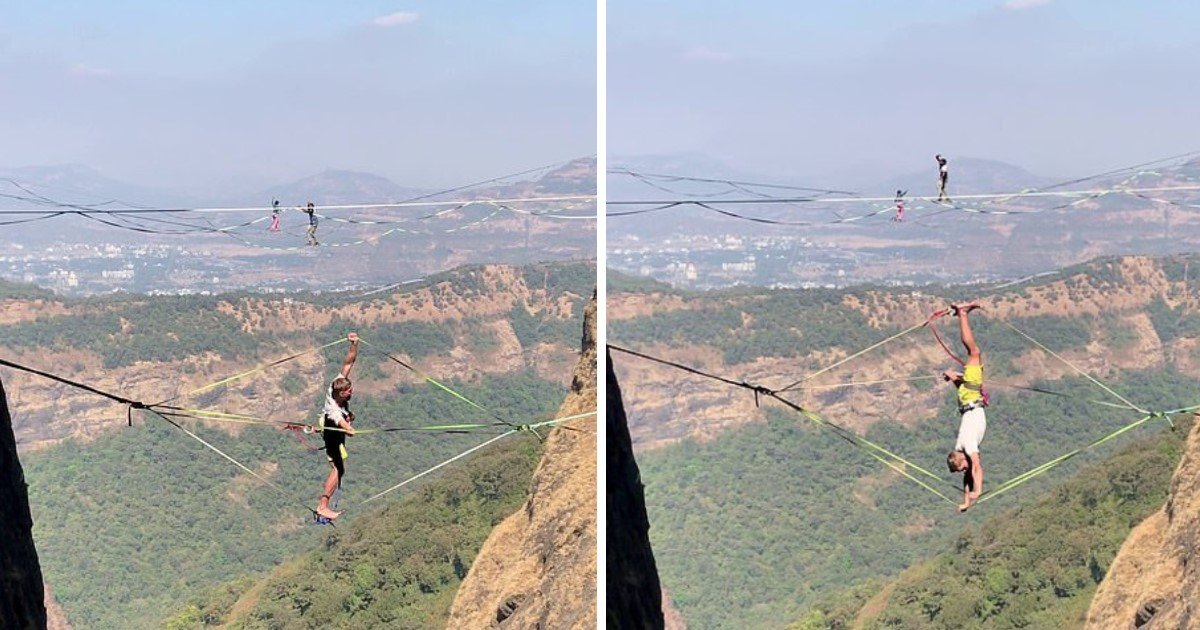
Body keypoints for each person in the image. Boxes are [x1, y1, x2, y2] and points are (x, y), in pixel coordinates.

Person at [943, 302, 985, 512]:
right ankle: (953, 376)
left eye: (961, 467)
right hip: (967, 400)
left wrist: (978, 490)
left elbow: (976, 468)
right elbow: (968, 474)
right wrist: (967, 502)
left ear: (960, 459)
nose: (964, 470)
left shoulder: (967, 445)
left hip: (971, 398)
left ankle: (962, 313)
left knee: (973, 352)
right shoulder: (960, 449)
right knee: (972, 356)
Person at [316, 332, 359, 520]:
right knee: (338, 468)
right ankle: (323, 506)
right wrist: (347, 428)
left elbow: (348, 363)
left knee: (339, 468)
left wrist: (354, 344)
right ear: (340, 393)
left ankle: (323, 505)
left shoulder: (338, 382)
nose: (351, 392)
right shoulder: (333, 407)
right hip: (331, 429)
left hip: (335, 426)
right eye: (348, 392)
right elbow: (337, 419)